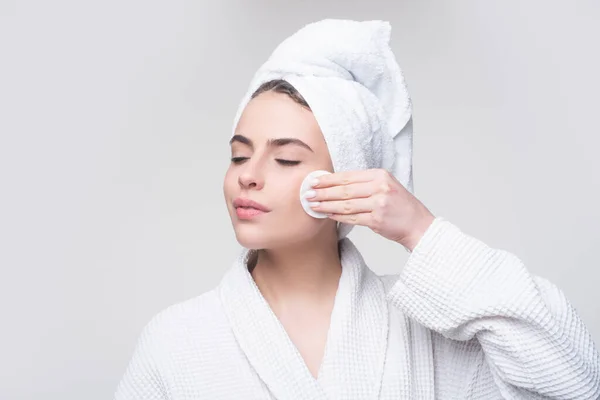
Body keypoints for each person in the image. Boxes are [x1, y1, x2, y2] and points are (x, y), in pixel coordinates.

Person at [114, 20, 600, 399]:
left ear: (347, 179)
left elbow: (575, 383)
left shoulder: (426, 331)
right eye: (240, 154)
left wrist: (422, 233)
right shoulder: (176, 340)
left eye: (285, 158)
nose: (248, 174)